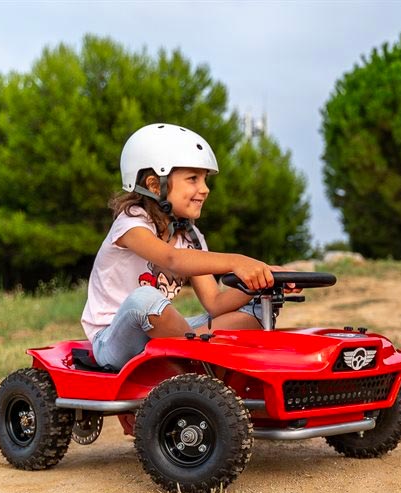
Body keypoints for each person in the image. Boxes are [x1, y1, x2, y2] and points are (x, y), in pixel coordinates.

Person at [81, 123, 291, 371]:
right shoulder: (131, 223)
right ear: (155, 185)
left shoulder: (190, 236)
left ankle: (190, 353)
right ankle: (198, 366)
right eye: (193, 178)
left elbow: (215, 303)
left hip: (162, 337)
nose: (204, 189)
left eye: (204, 180)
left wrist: (265, 280)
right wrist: (237, 262)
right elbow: (171, 259)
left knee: (257, 311)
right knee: (146, 298)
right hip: (112, 342)